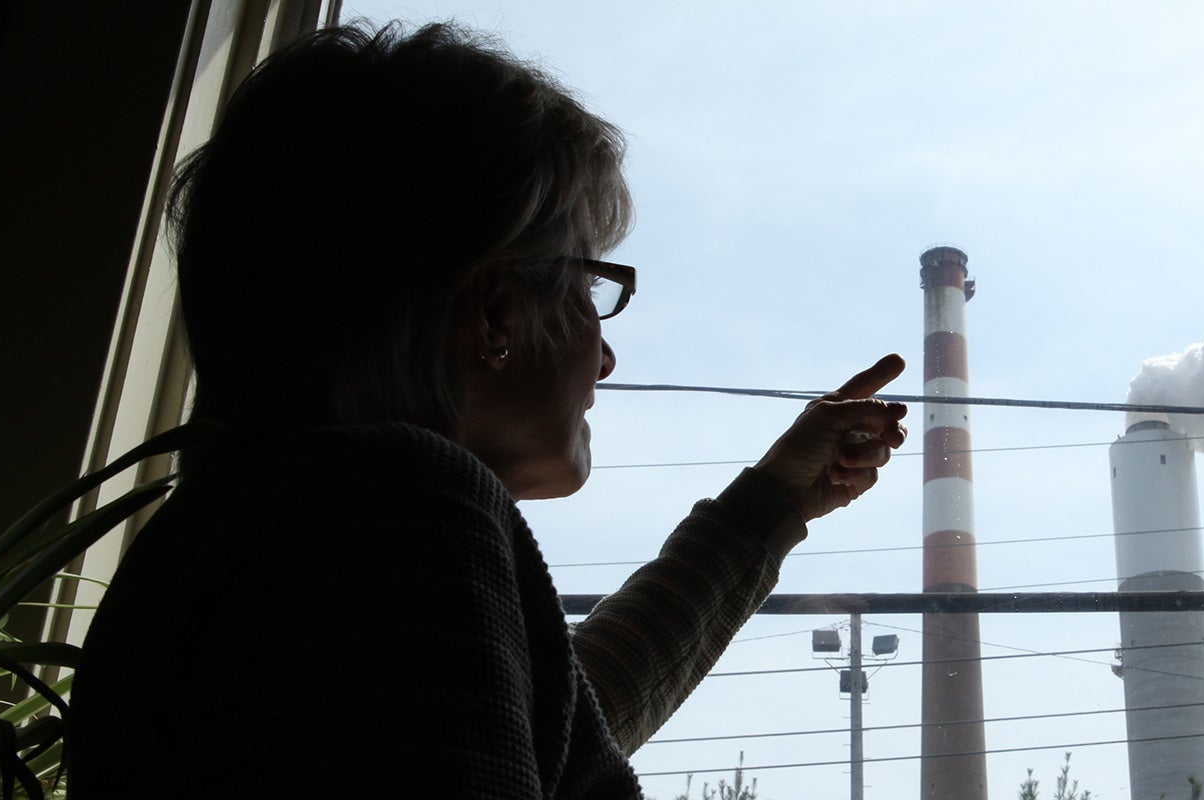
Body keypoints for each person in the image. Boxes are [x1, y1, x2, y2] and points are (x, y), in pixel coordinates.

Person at [68, 21, 907, 799]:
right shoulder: (392, 507)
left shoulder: (261, 542)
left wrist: (773, 505)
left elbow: (553, 732)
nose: (606, 357)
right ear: (496, 312)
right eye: (589, 288)